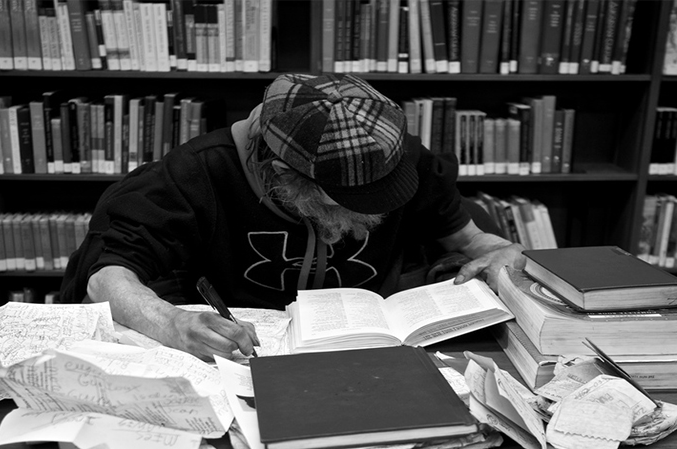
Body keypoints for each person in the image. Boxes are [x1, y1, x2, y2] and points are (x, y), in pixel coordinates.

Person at [60, 73, 524, 360]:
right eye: (354, 200)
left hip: (374, 348)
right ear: (286, 176)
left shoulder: (400, 158)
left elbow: (470, 240)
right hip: (246, 354)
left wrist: (500, 252)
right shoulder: (192, 174)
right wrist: (171, 324)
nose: (379, 210)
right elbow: (107, 276)